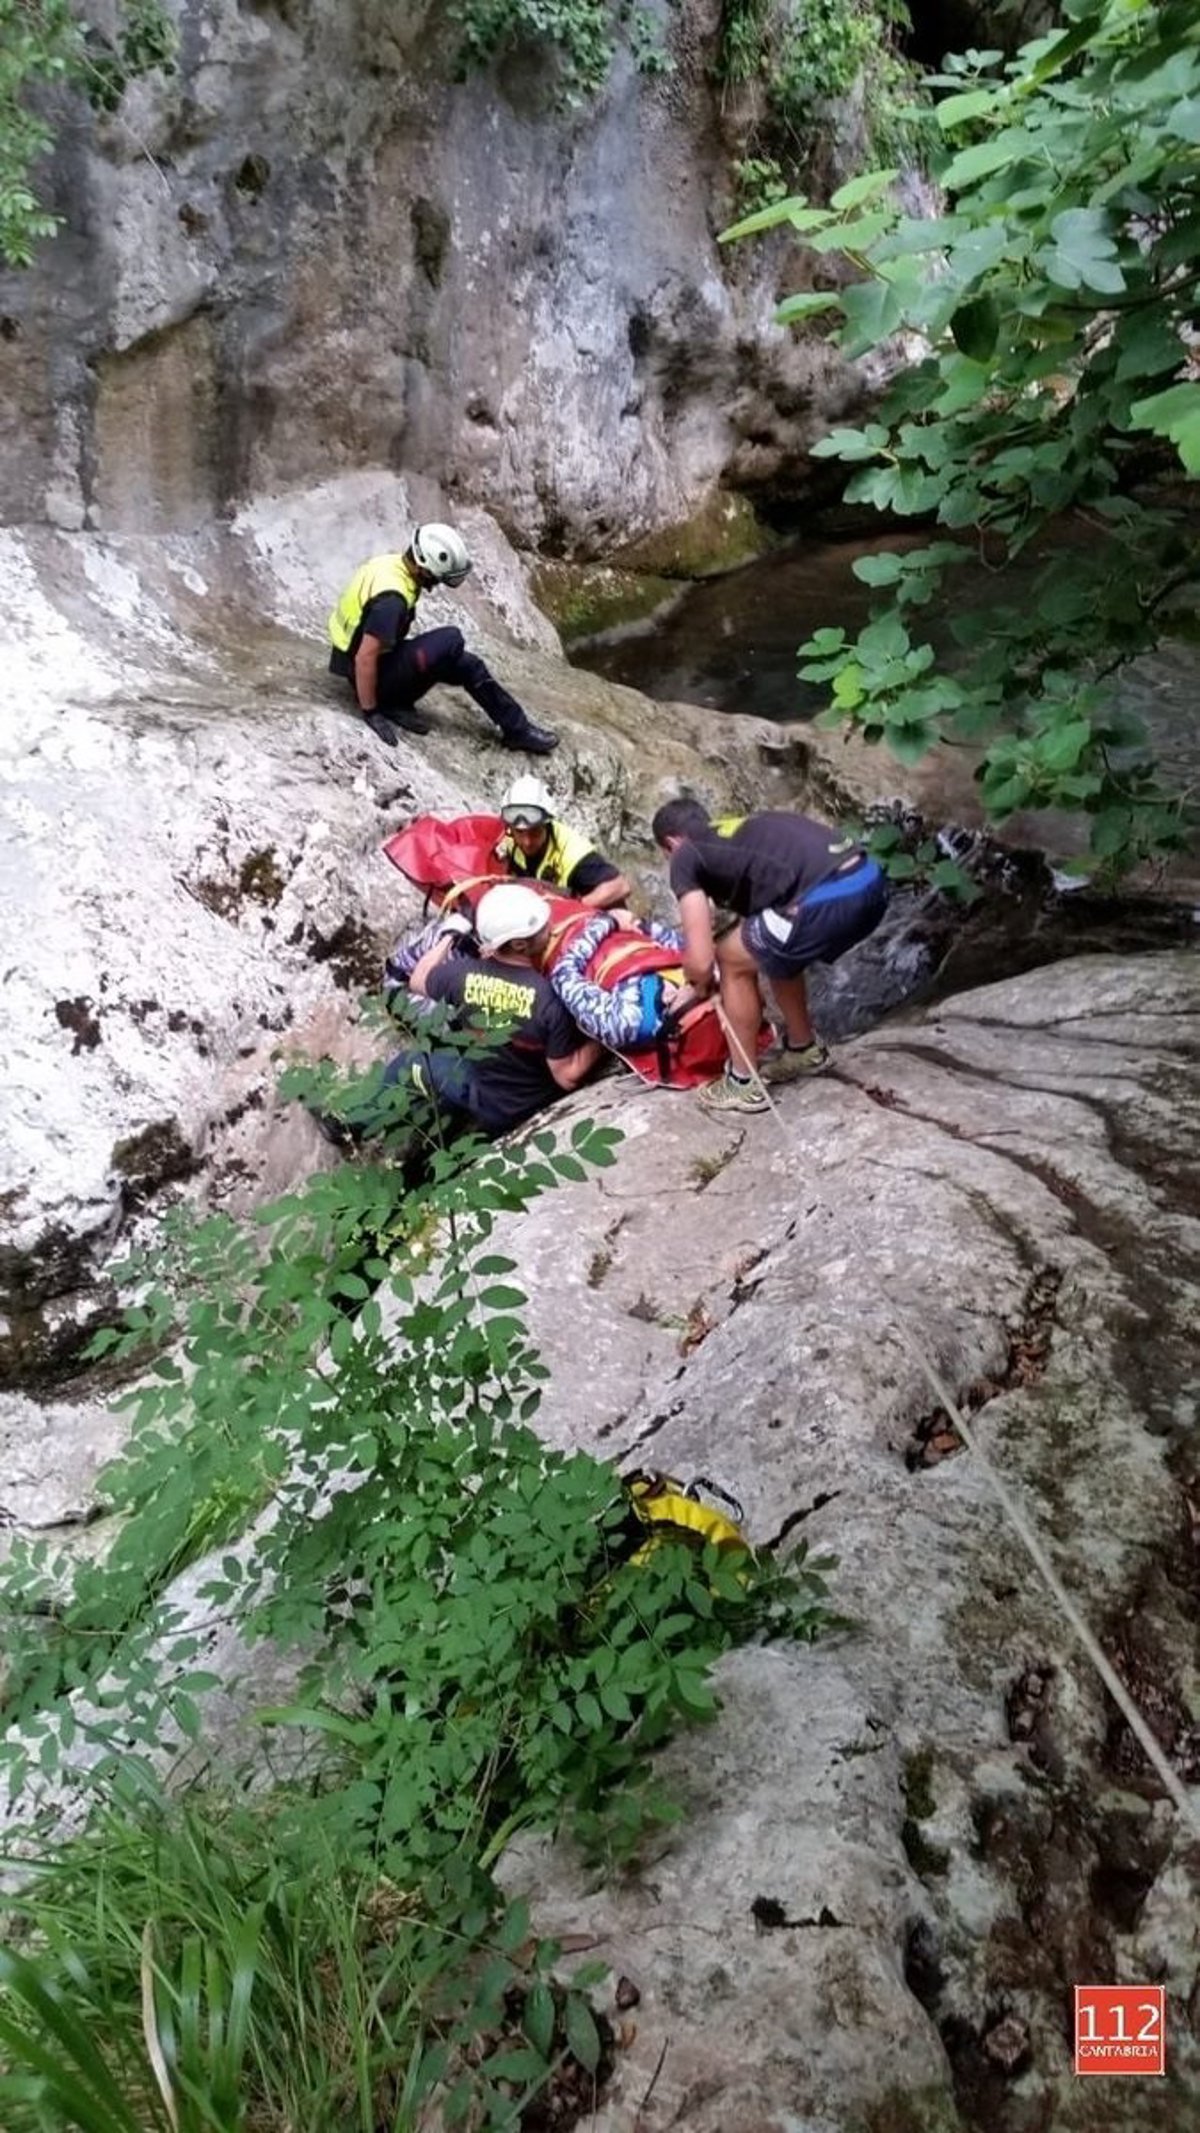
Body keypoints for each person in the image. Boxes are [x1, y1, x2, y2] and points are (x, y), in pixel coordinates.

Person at [651, 799, 888, 1116]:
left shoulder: (686, 853)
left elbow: (701, 959)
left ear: (671, 843)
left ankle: (742, 1082)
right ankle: (803, 1049)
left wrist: (697, 983)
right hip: (871, 880)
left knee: (730, 959)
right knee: (767, 946)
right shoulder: (736, 834)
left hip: (829, 895)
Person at [387, 881, 602, 1140]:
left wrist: (449, 935)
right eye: (543, 928)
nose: (551, 928)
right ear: (519, 945)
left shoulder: (460, 975)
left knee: (409, 1063)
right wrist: (599, 1036)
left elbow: (417, 979)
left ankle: (357, 1123)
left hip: (485, 1094)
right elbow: (567, 1077)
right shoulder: (548, 999)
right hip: (532, 1101)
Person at [327, 523, 558, 755]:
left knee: (469, 665)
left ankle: (518, 731)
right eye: (437, 578)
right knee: (450, 640)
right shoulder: (391, 600)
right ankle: (389, 701)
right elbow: (365, 657)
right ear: (423, 569)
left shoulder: (391, 565)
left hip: (368, 662)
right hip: (366, 674)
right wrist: (371, 711)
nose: (435, 585)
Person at [549, 910, 691, 1050]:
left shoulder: (628, 1021)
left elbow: (561, 973)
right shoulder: (699, 966)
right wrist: (638, 924)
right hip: (608, 930)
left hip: (576, 943)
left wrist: (607, 923)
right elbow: (674, 940)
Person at [496, 776, 631, 909]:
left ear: (547, 825)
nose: (527, 842)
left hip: (586, 910)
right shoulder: (508, 839)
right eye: (519, 832)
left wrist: (573, 909)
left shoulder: (572, 852)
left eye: (534, 832)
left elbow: (620, 886)